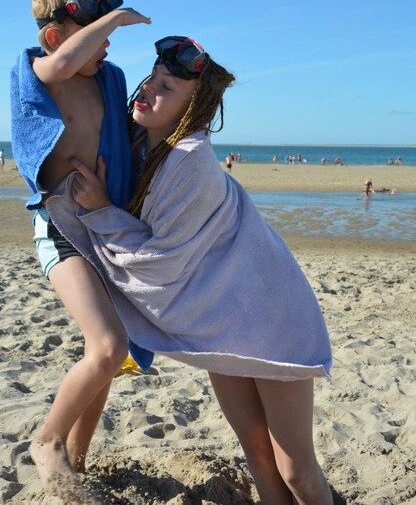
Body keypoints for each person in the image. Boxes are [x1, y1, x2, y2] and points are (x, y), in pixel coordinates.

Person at [47, 36, 333, 504]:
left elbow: (159, 267)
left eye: (166, 88)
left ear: (190, 109)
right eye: (152, 79)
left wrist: (100, 211)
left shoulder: (190, 158)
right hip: (221, 323)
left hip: (272, 319)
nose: (147, 90)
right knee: (257, 458)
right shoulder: (138, 144)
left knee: (297, 470)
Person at [10, 0, 152, 497]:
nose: (108, 43)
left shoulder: (108, 79)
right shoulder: (39, 72)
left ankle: (79, 457)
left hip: (103, 226)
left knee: (108, 358)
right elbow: (67, 62)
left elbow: (140, 133)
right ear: (55, 37)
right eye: (94, 32)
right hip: (61, 227)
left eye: (108, 33)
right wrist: (117, 15)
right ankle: (47, 442)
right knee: (109, 345)